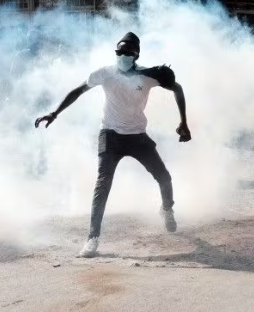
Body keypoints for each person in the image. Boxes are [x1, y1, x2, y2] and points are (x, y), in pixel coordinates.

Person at [34, 32, 191, 258]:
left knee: (164, 177)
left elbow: (177, 88)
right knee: (103, 184)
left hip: (138, 137)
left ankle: (167, 209)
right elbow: (78, 91)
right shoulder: (104, 74)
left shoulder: (148, 76)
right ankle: (92, 238)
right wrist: (55, 113)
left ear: (136, 55)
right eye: (119, 52)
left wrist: (183, 122)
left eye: (128, 53)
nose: (123, 56)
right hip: (110, 136)